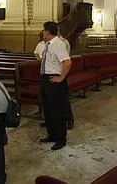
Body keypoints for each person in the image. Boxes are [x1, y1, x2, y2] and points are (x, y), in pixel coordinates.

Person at [39, 21, 72, 150]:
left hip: (54, 80)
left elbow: (67, 62)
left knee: (57, 110)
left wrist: (61, 78)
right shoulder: (48, 44)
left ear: (47, 31)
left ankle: (60, 138)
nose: (42, 33)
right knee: (48, 109)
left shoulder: (58, 44)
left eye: (43, 30)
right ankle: (52, 134)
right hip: (46, 78)